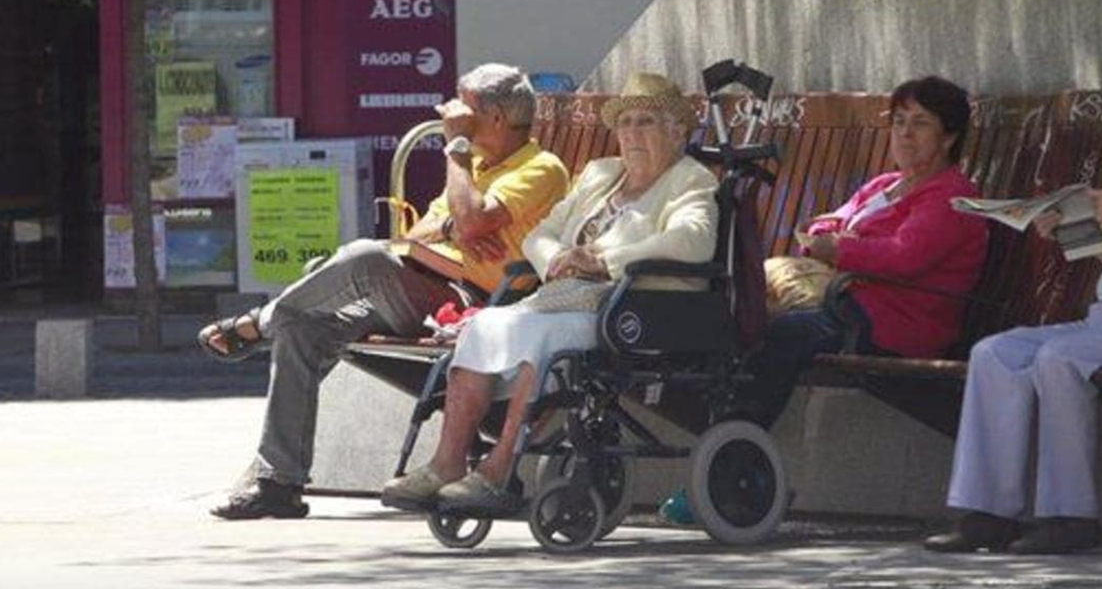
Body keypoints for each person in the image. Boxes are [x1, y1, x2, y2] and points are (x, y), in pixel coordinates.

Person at [201, 63, 570, 520]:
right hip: (423, 285)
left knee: (366, 257)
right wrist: (460, 222)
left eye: (462, 106)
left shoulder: (540, 167)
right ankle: (278, 482)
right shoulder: (475, 165)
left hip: (475, 301)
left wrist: (456, 164)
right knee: (301, 327)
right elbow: (433, 229)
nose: (447, 112)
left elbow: (470, 223)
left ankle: (258, 324)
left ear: (495, 118)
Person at [380, 72, 719, 512]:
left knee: (538, 340)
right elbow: (541, 234)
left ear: (676, 132)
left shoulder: (690, 180)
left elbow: (692, 241)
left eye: (647, 122)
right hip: (567, 296)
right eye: (626, 122)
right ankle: (447, 463)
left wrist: (603, 261)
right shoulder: (602, 174)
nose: (632, 132)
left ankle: (498, 472)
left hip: (635, 306)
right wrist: (558, 259)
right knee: (483, 326)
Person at [658, 75, 989, 524]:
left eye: (921, 124)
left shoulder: (953, 196)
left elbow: (905, 256)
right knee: (736, 321)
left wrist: (843, 249)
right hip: (849, 306)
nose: (905, 134)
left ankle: (724, 475)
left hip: (897, 322)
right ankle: (732, 468)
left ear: (949, 137)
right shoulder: (885, 185)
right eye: (899, 121)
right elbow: (824, 225)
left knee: (779, 335)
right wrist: (833, 240)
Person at [925, 61, 1102, 555]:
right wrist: (1073, 227)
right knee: (995, 353)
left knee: (1060, 359)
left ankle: (1069, 515)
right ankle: (987, 512)